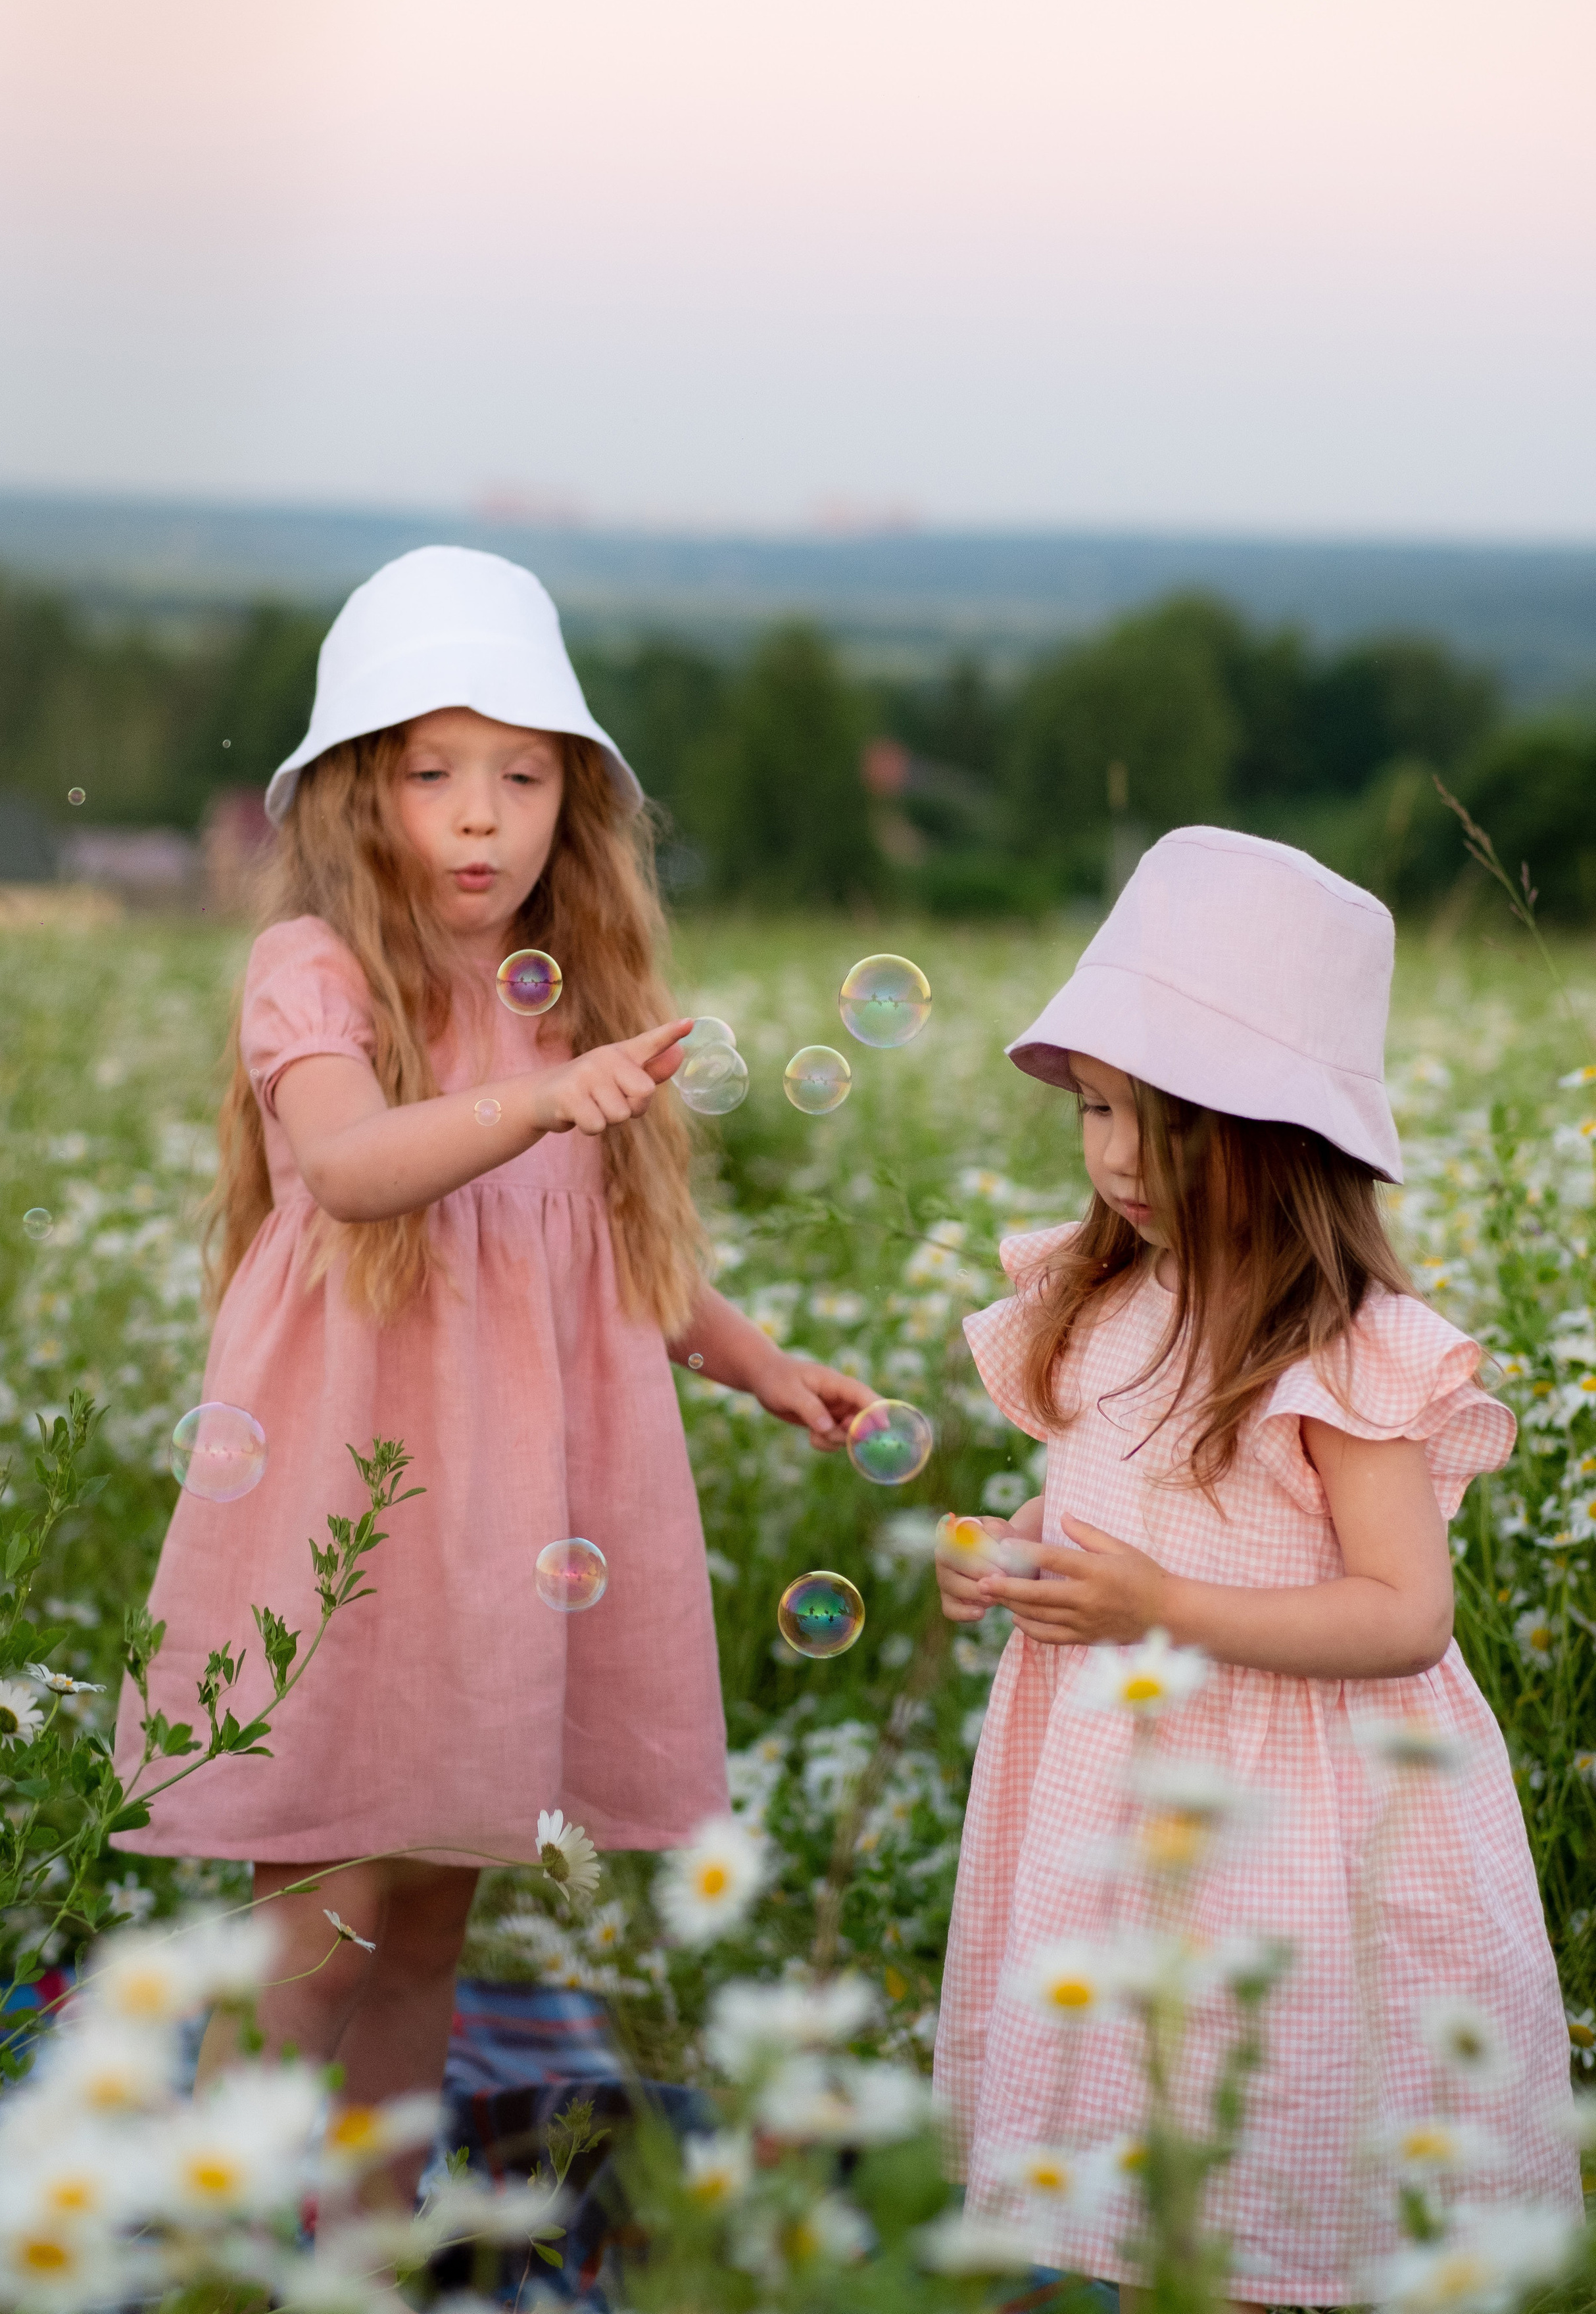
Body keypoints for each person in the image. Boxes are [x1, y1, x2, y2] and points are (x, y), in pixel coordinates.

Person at [113, 546, 873, 2179]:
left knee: (427, 1944)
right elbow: (349, 1165)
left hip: (509, 1523)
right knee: (314, 1933)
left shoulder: (577, 994)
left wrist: (763, 1364)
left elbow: (613, 1268)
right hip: (347, 1498)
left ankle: (374, 2253)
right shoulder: (313, 971)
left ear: (572, 799)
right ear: (347, 798)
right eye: (431, 773)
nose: (479, 815)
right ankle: (221, 2254)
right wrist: (536, 1098)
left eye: (521, 776)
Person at [931, 827, 1580, 2302]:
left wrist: (1160, 1608)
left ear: (1287, 1136)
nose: (1112, 1156)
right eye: (1095, 1107)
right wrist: (1022, 1556)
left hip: (1295, 1813)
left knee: (1264, 2129)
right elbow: (1106, 1509)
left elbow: (1403, 1613)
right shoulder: (1096, 1300)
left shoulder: (1344, 1352)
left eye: (1165, 1122)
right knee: (1127, 2106)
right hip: (1115, 1787)